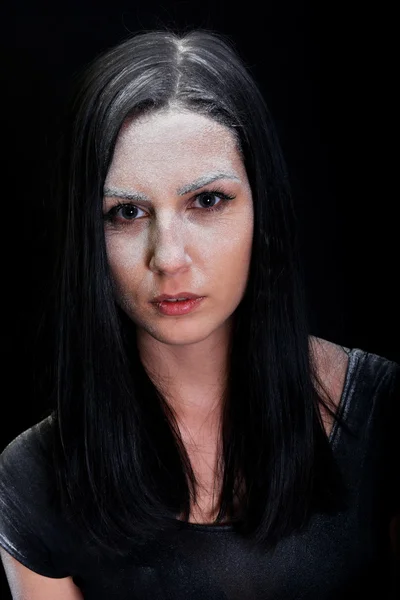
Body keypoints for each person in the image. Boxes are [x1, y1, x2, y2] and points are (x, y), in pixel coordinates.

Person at [0, 28, 399, 600]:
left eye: (206, 201)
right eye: (127, 212)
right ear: (87, 234)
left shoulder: (384, 416)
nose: (169, 258)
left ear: (264, 207)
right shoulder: (32, 478)